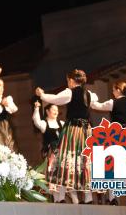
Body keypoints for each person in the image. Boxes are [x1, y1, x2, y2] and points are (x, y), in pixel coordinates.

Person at [36, 69, 100, 204]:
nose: (68, 83)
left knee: (67, 159)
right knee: (85, 161)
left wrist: (42, 94)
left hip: (74, 130)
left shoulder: (69, 92)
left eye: (67, 81)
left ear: (71, 80)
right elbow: (96, 103)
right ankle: (88, 198)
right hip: (86, 131)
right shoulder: (89, 94)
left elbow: (55, 99)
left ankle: (61, 197)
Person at [92, 80, 126, 206]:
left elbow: (96, 106)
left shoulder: (112, 102)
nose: (112, 92)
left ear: (118, 90)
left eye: (114, 90)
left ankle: (113, 198)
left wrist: (91, 97)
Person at [32, 101, 64, 202]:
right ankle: (55, 198)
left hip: (62, 153)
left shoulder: (62, 123)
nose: (56, 112)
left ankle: (61, 198)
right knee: (53, 175)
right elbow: (36, 121)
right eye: (54, 110)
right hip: (51, 153)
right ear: (47, 111)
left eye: (57, 110)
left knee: (62, 175)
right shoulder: (44, 124)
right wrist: (36, 108)